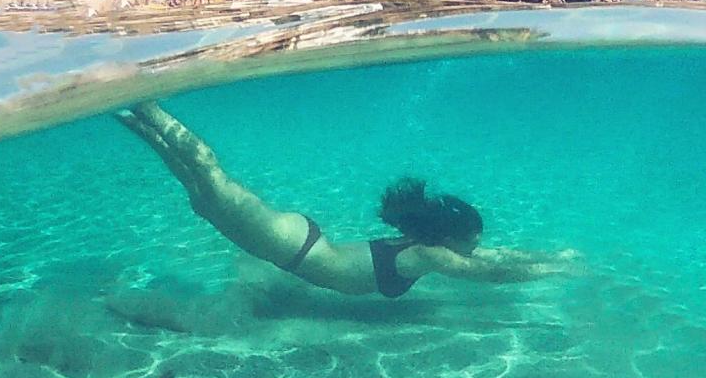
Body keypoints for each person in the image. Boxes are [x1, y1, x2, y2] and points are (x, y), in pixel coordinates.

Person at [116, 103, 582, 298]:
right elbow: (487, 271)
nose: (474, 249)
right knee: (212, 181)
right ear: (452, 239)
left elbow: (490, 257)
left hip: (301, 244)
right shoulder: (430, 254)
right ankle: (150, 109)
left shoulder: (422, 244)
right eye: (471, 241)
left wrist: (553, 256)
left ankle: (138, 121)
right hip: (293, 247)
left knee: (200, 192)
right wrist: (548, 271)